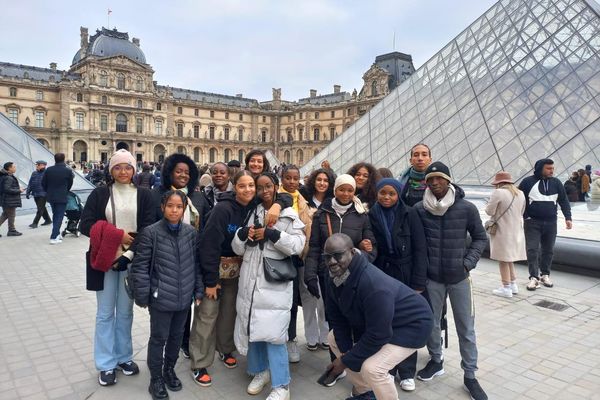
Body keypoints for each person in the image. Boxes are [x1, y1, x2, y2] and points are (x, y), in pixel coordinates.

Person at [323, 233, 433, 400]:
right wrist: (346, 355)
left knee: (373, 368)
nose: (332, 262)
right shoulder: (332, 276)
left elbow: (379, 334)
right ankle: (366, 391)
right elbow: (337, 318)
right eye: (327, 257)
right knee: (333, 338)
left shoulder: (373, 284)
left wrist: (346, 360)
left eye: (338, 255)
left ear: (352, 252)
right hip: (382, 321)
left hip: (413, 324)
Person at [79, 149, 155, 387]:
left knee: (125, 312)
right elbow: (86, 225)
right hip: (104, 260)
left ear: (134, 169)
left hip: (132, 260)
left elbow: (149, 227)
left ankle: (123, 357)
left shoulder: (144, 195)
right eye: (118, 167)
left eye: (128, 167)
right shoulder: (100, 193)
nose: (123, 171)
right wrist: (118, 235)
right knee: (104, 314)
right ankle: (105, 363)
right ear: (111, 170)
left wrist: (129, 254)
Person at [413, 161, 488, 400]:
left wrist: (468, 263)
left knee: (466, 327)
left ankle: (470, 375)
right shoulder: (419, 209)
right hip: (432, 278)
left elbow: (480, 238)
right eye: (431, 179)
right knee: (431, 324)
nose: (435, 183)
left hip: (459, 277)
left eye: (439, 178)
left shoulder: (466, 208)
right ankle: (436, 360)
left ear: (448, 180)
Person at [232, 172, 305, 400]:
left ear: (276, 187)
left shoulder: (288, 214)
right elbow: (237, 248)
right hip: (250, 283)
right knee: (254, 332)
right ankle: (260, 372)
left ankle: (282, 385)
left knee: (274, 336)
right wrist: (244, 235)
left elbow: (297, 246)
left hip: (273, 285)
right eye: (259, 186)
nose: (264, 191)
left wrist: (272, 234)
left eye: (268, 186)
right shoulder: (252, 212)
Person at [304, 174, 377, 386]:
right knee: (335, 321)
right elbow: (315, 247)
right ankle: (336, 364)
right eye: (341, 189)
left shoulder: (362, 215)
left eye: (350, 190)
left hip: (354, 275)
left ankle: (356, 362)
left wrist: (367, 253)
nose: (345, 194)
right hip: (328, 274)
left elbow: (371, 243)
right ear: (334, 190)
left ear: (354, 192)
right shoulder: (322, 214)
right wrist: (310, 274)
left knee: (357, 319)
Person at [131, 190, 204, 400]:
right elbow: (141, 267)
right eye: (170, 206)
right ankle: (156, 379)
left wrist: (198, 290)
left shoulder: (191, 233)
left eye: (179, 207)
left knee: (176, 337)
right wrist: (143, 296)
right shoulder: (151, 232)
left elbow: (196, 264)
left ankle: (169, 369)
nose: (174, 210)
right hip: (161, 297)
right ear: (162, 207)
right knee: (158, 338)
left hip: (184, 298)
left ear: (184, 209)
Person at [190, 171, 255, 387]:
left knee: (229, 313)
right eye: (243, 186)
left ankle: (225, 348)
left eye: (251, 185)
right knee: (207, 315)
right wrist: (210, 280)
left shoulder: (253, 208)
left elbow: (278, 196)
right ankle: (199, 362)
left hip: (237, 271)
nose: (248, 190)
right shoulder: (222, 210)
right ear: (234, 188)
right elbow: (208, 245)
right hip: (215, 269)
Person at [368, 178, 428, 392]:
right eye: (382, 193)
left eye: (391, 193)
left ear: (399, 194)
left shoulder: (410, 213)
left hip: (406, 272)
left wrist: (419, 282)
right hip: (383, 272)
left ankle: (407, 371)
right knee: (385, 320)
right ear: (376, 193)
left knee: (407, 321)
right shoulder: (371, 214)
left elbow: (421, 248)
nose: (386, 197)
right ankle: (389, 368)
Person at [151, 153, 210, 359]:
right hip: (165, 260)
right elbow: (149, 227)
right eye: (178, 171)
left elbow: (207, 226)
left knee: (187, 303)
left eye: (187, 172)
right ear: (169, 173)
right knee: (168, 306)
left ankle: (183, 342)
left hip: (192, 257)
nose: (183, 175)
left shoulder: (199, 197)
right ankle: (165, 345)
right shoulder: (157, 195)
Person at [518, 158, 572, 291]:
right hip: (533, 222)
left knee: (548, 250)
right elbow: (519, 200)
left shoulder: (556, 183)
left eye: (552, 168)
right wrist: (526, 217)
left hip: (551, 222)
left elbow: (564, 201)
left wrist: (568, 218)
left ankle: (545, 275)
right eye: (548, 168)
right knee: (532, 249)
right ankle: (533, 277)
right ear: (540, 168)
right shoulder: (527, 182)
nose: (551, 171)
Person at [298, 168, 335, 351]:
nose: (322, 183)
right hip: (306, 252)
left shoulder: (332, 203)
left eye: (325, 180)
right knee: (308, 296)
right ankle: (311, 335)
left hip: (326, 254)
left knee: (324, 297)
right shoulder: (303, 200)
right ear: (313, 181)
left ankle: (325, 335)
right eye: (319, 179)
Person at [278, 165, 312, 363]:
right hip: (279, 255)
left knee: (292, 302)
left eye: (295, 178)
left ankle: (290, 338)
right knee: (278, 301)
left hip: (298, 256)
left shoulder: (303, 199)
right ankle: (277, 338)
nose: (291, 181)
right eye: (288, 178)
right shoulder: (275, 198)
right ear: (281, 178)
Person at [485, 172, 527, 298]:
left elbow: (489, 211)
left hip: (502, 231)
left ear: (499, 183)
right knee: (509, 259)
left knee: (503, 260)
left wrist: (489, 204)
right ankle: (513, 284)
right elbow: (522, 212)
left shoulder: (498, 193)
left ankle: (506, 287)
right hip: (516, 231)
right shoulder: (520, 193)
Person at [42, 153, 74, 244]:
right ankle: (54, 236)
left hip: (51, 196)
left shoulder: (49, 170)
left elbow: (43, 183)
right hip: (62, 196)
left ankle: (57, 233)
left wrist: (48, 191)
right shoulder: (67, 171)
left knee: (56, 214)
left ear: (55, 159)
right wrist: (65, 190)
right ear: (63, 159)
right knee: (59, 216)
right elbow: (70, 183)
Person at [0, 162, 24, 237]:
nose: (15, 168)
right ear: (9, 168)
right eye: (14, 167)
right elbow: (7, 189)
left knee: (6, 215)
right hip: (9, 200)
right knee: (11, 215)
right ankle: (11, 230)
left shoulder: (5, 176)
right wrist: (19, 190)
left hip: (6, 199)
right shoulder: (8, 177)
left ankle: (12, 230)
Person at [26, 160, 52, 228]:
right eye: (36, 165)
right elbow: (30, 183)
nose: (36, 166)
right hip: (35, 193)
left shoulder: (47, 173)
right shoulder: (34, 173)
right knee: (41, 207)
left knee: (40, 209)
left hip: (43, 194)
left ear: (43, 165)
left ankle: (35, 223)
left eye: (38, 165)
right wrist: (28, 192)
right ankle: (48, 220)